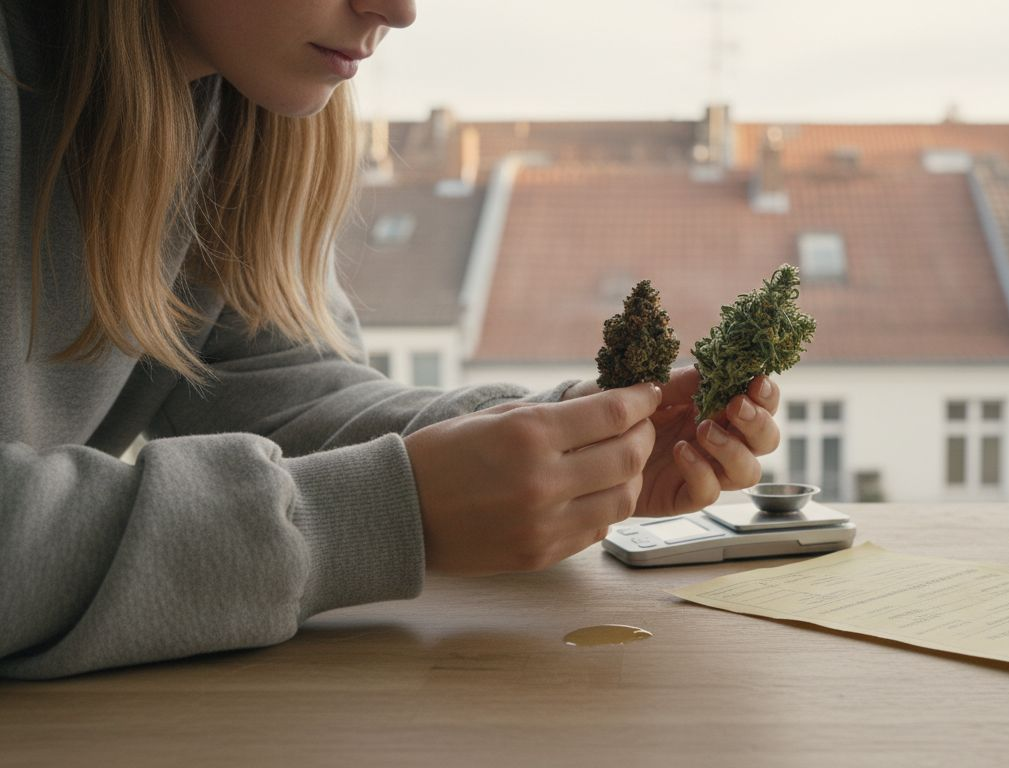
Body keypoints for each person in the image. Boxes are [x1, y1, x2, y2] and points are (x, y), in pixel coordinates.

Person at [0, 0, 782, 680]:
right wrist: (376, 513)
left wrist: (558, 450)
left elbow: (280, 394)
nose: (400, 10)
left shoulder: (229, 110)